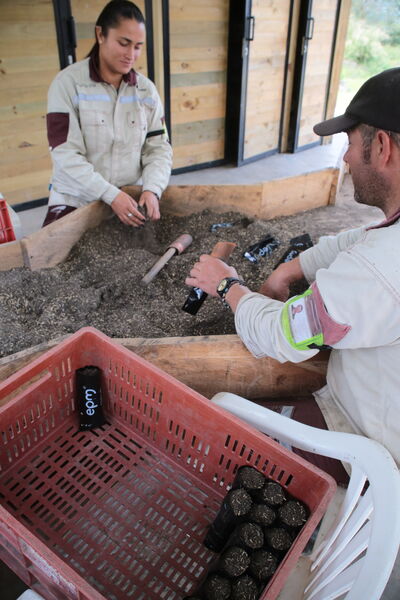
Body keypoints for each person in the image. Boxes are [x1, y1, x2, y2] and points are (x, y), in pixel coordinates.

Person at [186, 67, 400, 468]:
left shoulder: (381, 271)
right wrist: (289, 271)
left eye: (350, 143)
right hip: (375, 408)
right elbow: (360, 238)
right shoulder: (387, 243)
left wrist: (227, 286)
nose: (346, 157)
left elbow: (281, 335)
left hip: (364, 444)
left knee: (218, 434)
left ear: (383, 145)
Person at [42, 0, 172, 227]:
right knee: (48, 258)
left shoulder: (146, 91)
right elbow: (65, 154)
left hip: (126, 200)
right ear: (100, 35)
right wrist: (109, 194)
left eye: (138, 46)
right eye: (124, 43)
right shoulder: (67, 84)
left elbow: (158, 148)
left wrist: (153, 188)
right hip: (76, 197)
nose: (131, 54)